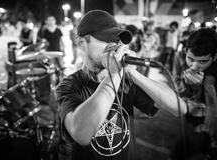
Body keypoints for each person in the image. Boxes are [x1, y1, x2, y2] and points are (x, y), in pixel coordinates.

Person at [55, 10, 187, 160]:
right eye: (105, 39)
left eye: (117, 40)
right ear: (81, 43)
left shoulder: (124, 78)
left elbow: (179, 108)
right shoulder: (68, 86)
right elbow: (81, 134)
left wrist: (132, 73)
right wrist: (114, 75)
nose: (114, 46)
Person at [171, 28, 217, 160]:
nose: (194, 67)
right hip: (190, 114)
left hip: (208, 120)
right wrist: (190, 86)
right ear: (186, 51)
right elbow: (176, 89)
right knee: (184, 146)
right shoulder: (179, 57)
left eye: (202, 62)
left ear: (214, 57)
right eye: (190, 59)